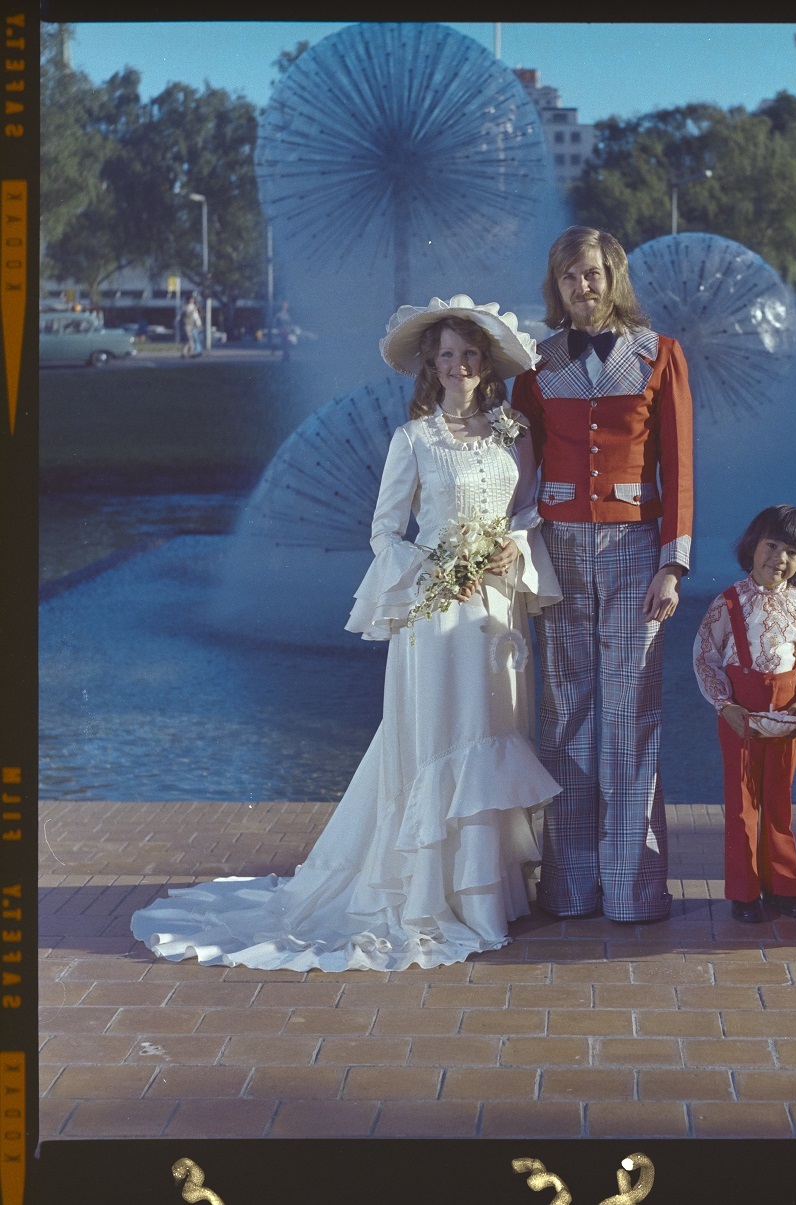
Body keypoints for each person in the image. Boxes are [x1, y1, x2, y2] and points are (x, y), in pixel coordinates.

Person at [131, 295, 563, 971]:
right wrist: (433, 572)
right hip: (439, 611)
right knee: (444, 737)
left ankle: (490, 895)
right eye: (446, 355)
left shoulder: (513, 430)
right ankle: (432, 896)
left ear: (486, 362)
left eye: (469, 353)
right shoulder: (413, 440)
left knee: (493, 733)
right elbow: (384, 532)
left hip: (497, 611)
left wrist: (514, 542)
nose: (458, 365)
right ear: (431, 365)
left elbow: (530, 505)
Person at [511, 226, 694, 923]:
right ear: (555, 288)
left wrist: (672, 564)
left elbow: (678, 467)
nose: (581, 287)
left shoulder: (661, 355)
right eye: (568, 277)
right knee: (563, 714)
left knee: (631, 712)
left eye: (591, 273)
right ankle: (568, 885)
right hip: (557, 548)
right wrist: (507, 541)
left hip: (636, 551)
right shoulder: (533, 364)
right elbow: (517, 466)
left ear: (613, 276)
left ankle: (632, 888)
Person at [694, 506, 796, 924]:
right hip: (740, 715)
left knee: (778, 801)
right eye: (771, 546)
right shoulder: (729, 603)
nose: (779, 558)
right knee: (742, 804)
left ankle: (782, 887)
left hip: (788, 717)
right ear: (752, 545)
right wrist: (725, 705)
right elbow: (705, 657)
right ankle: (744, 891)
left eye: (792, 552)